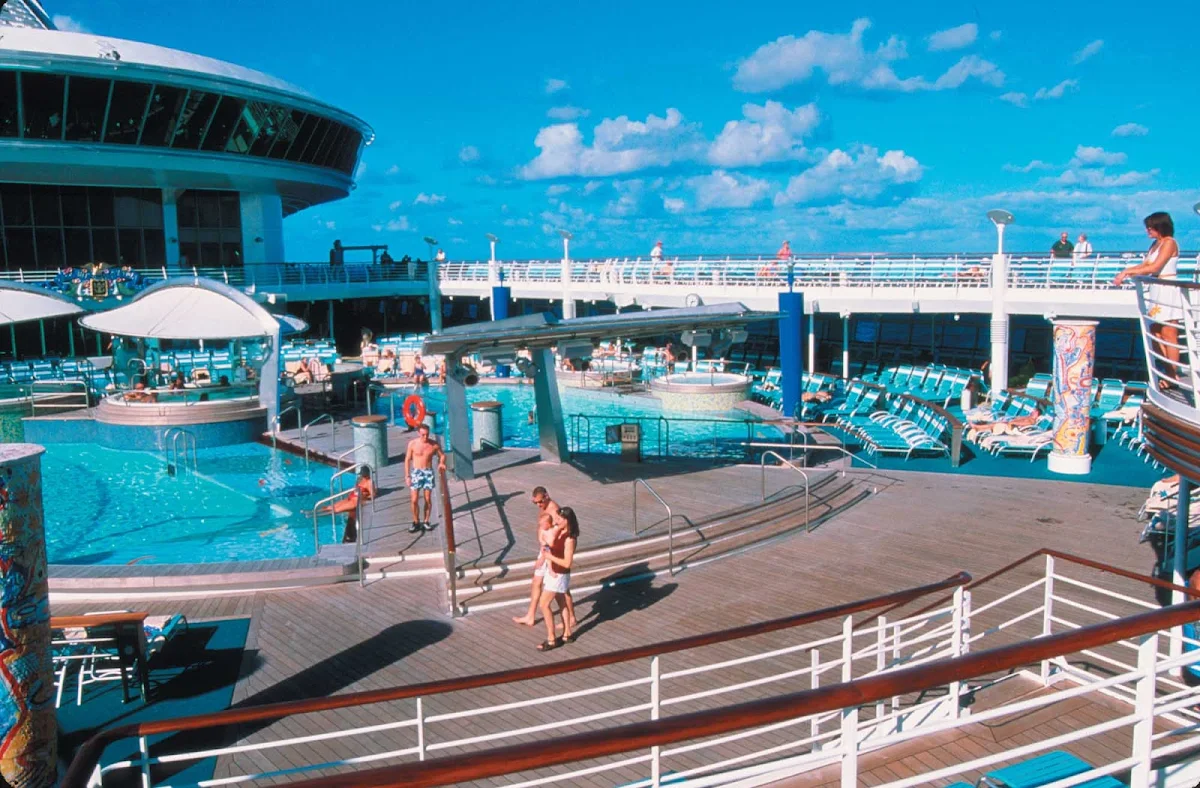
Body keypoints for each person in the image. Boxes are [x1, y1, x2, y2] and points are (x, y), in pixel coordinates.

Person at [1115, 212, 1181, 389]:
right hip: (1156, 289)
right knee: (1155, 332)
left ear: (1160, 227)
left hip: (1167, 288)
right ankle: (1170, 372)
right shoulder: (1155, 244)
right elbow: (1145, 265)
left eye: (1150, 227)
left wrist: (1127, 272)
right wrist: (1127, 271)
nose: (1147, 231)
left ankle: (1172, 376)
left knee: (1169, 333)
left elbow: (1156, 267)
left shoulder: (1169, 243)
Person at [513, 486, 561, 627]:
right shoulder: (544, 507)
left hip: (551, 552)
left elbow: (555, 537)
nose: (539, 505)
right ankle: (530, 616)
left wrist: (543, 557)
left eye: (540, 501)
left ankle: (570, 618)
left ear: (546, 496)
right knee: (536, 582)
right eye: (535, 503)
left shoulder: (554, 510)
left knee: (560, 588)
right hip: (544, 550)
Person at [536, 506, 579, 651]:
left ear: (567, 520)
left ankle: (551, 638)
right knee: (561, 602)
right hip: (554, 571)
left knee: (544, 604)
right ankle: (567, 634)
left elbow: (567, 563)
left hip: (559, 573)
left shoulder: (570, 539)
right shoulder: (560, 531)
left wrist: (549, 556)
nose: (557, 521)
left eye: (560, 519)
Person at [315, 466, 375, 543]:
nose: (363, 476)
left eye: (364, 475)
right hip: (350, 498)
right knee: (331, 506)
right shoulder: (361, 479)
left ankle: (317, 513)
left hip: (355, 501)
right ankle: (317, 511)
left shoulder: (369, 482)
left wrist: (364, 497)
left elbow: (373, 495)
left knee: (336, 510)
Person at [404, 423, 445, 533]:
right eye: (423, 435)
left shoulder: (434, 444)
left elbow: (442, 455)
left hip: (428, 472)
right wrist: (407, 476)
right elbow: (407, 460)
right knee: (414, 500)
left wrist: (441, 463)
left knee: (427, 499)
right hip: (416, 472)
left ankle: (426, 521)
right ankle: (416, 521)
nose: (425, 437)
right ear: (418, 433)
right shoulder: (412, 444)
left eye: (427, 434)